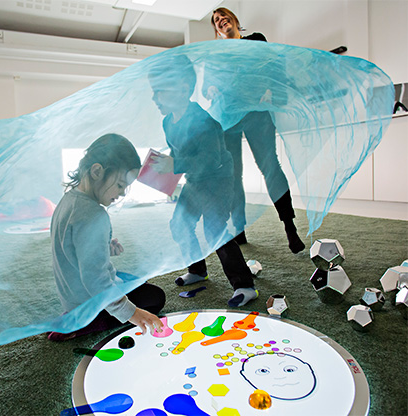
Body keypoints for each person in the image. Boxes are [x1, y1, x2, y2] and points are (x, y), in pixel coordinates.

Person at [148, 55, 258, 308]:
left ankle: (244, 285)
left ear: (183, 88)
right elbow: (178, 153)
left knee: (214, 230)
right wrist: (167, 178)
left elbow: (211, 159)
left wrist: (175, 164)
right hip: (195, 180)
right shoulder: (167, 122)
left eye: (160, 91)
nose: (155, 98)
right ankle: (197, 270)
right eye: (153, 92)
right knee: (179, 224)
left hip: (218, 180)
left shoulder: (205, 122)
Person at [48, 133, 165, 341]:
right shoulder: (94, 215)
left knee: (138, 281)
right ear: (96, 171)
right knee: (155, 297)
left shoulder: (69, 200)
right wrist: (132, 314)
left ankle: (77, 316)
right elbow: (95, 279)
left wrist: (103, 247)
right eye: (120, 185)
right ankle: (83, 324)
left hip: (72, 295)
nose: (123, 193)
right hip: (89, 302)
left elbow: (71, 246)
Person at [209, 7, 305, 254]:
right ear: (217, 30)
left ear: (234, 20)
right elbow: (208, 84)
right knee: (233, 175)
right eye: (217, 20)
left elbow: (274, 67)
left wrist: (272, 90)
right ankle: (238, 228)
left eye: (224, 16)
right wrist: (210, 89)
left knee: (270, 166)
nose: (221, 20)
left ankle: (290, 226)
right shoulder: (217, 54)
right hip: (228, 118)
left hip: (256, 113)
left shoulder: (256, 40)